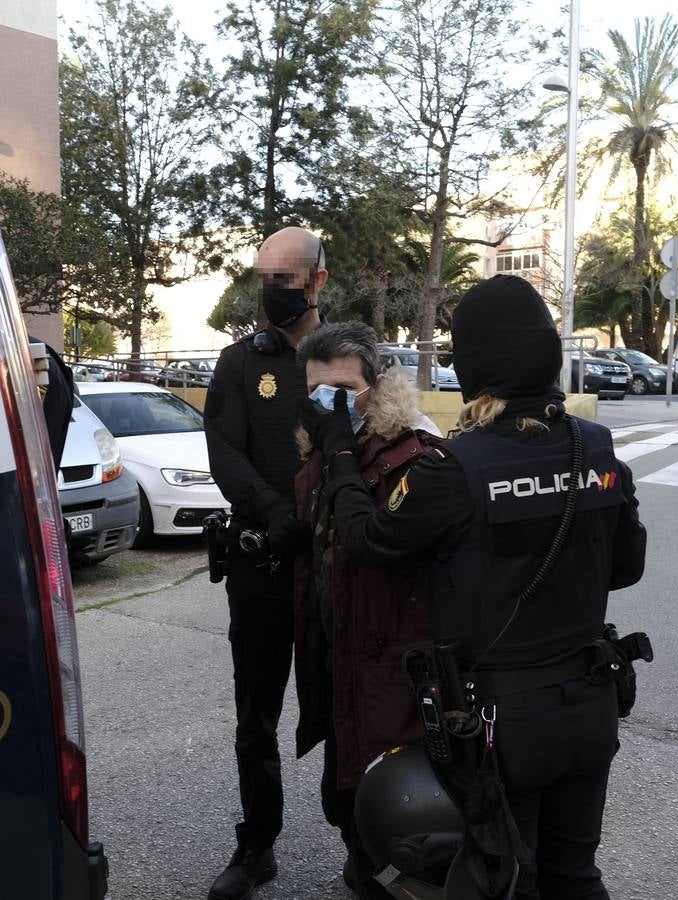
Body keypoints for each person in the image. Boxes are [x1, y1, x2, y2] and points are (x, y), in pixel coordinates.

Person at [300, 274, 647, 900]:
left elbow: (369, 540)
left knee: (505, 878)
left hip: (502, 726)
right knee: (575, 875)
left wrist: (340, 456)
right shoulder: (596, 447)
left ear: (474, 365)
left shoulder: (453, 468)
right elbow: (625, 569)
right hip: (591, 705)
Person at [291, 322, 445, 898]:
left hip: (393, 667)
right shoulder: (320, 459)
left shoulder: (413, 453)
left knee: (393, 807)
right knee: (343, 796)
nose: (329, 406)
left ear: (376, 386)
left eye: (343, 390)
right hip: (338, 659)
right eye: (316, 393)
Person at [203, 225, 327, 900]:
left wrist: (313, 517)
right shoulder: (238, 362)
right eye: (264, 279)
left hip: (335, 567)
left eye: (285, 279)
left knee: (347, 706)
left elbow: (377, 446)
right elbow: (224, 450)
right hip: (261, 565)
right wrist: (277, 516)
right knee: (256, 717)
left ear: (317, 282)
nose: (272, 292)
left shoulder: (350, 357)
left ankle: (367, 844)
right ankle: (258, 844)